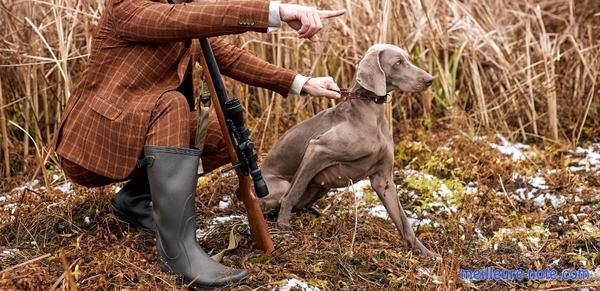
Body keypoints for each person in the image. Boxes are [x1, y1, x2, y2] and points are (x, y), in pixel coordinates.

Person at [53, 0, 345, 288]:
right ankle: (180, 255)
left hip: (141, 134)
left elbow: (228, 57)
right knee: (171, 103)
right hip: (96, 144)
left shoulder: (180, 12)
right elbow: (184, 19)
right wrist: (277, 11)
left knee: (223, 133)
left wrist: (301, 82)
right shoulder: (127, 8)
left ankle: (135, 200)